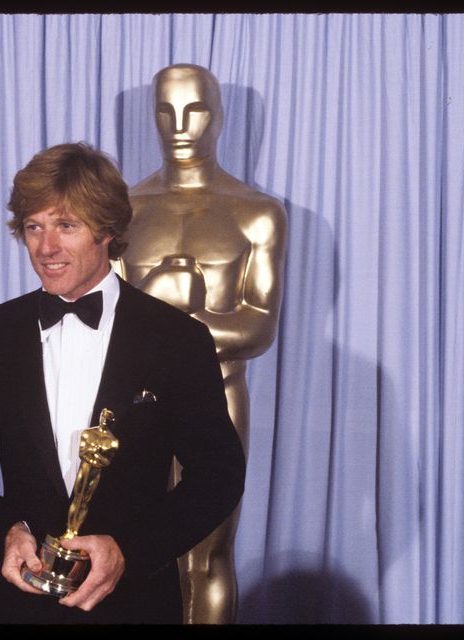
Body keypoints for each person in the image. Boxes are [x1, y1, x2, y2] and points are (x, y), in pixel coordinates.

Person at [0, 142, 245, 624]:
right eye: (34, 227)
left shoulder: (177, 338)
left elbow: (219, 475)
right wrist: (5, 533)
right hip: (20, 608)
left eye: (66, 226)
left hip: (135, 607)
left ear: (107, 230)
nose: (46, 247)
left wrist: (130, 552)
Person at [120, 64, 287, 623]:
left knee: (206, 557)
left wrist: (165, 311)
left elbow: (259, 328)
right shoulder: (125, 209)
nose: (180, 126)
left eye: (195, 110)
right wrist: (174, 303)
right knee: (131, 550)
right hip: (133, 405)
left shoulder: (257, 213)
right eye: (166, 111)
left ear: (220, 115)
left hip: (217, 399)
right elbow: (110, 321)